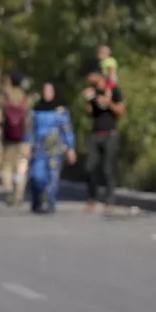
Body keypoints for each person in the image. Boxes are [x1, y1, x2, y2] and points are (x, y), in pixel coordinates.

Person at [27, 82, 76, 214]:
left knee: (53, 176)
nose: (47, 93)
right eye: (45, 90)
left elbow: (67, 129)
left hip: (55, 148)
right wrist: (27, 144)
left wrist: (70, 148)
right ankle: (37, 200)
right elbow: (30, 129)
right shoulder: (36, 110)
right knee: (37, 175)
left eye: (50, 90)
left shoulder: (60, 111)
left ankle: (50, 202)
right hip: (39, 148)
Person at [83, 64, 125, 212]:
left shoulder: (113, 90)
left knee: (108, 169)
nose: (88, 79)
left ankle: (110, 201)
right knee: (90, 167)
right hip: (96, 133)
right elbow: (89, 114)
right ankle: (91, 199)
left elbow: (121, 111)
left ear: (98, 76)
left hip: (110, 134)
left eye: (90, 76)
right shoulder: (92, 92)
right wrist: (89, 100)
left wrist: (109, 103)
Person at [0, 71, 30, 207]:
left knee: (7, 166)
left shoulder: (4, 96)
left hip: (8, 136)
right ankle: (19, 194)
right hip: (24, 136)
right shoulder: (26, 98)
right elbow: (29, 119)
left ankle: (8, 189)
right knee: (21, 165)